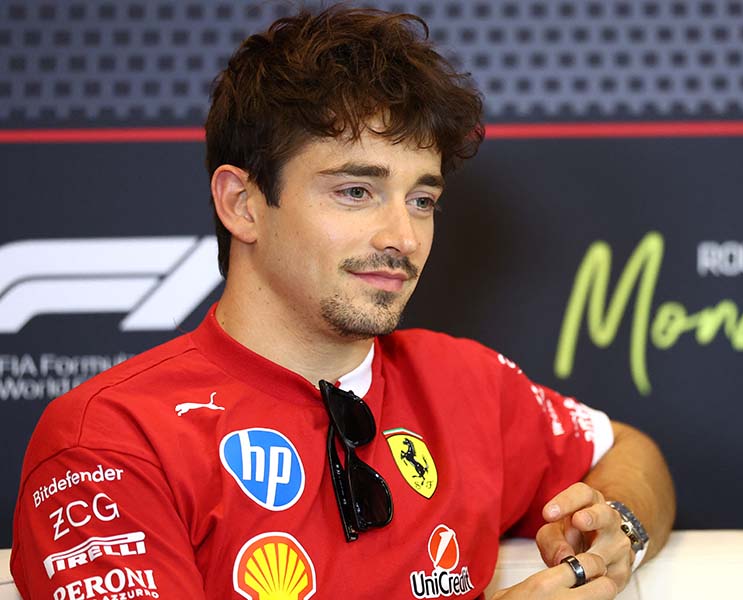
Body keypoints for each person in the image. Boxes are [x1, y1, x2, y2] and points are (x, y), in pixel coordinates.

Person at [11, 6, 675, 599]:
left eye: (422, 199)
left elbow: (628, 451)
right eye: (356, 191)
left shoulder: (465, 383)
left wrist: (618, 526)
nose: (403, 237)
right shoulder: (109, 441)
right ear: (242, 204)